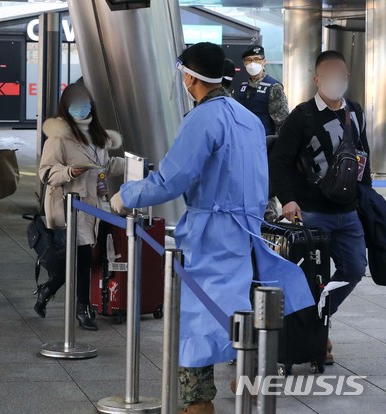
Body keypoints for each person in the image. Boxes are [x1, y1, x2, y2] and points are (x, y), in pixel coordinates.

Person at [110, 42, 312, 414]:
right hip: (248, 232)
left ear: (190, 77)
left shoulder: (202, 119)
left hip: (210, 235)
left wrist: (126, 196)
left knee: (197, 320)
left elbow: (172, 180)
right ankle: (250, 380)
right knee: (243, 311)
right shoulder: (248, 119)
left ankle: (198, 404)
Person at [270, 50, 370, 365]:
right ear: (317, 78)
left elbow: (362, 158)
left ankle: (317, 321)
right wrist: (287, 199)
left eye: (340, 74)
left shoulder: (355, 112)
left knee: (354, 269)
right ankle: (311, 337)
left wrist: (364, 198)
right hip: (311, 212)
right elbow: (280, 160)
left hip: (348, 212)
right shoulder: (302, 116)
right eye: (328, 74)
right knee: (310, 279)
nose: (335, 80)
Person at [35, 83, 124, 330]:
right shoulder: (58, 137)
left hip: (90, 206)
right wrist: (69, 171)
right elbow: (46, 173)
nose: (81, 105)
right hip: (67, 207)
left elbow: (105, 164)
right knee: (82, 258)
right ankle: (82, 309)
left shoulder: (97, 136)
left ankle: (48, 290)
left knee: (78, 258)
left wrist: (133, 166)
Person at [234, 45, 289, 136]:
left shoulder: (273, 87)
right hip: (243, 138)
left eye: (256, 59)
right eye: (249, 60)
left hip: (264, 140)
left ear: (263, 62)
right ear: (244, 63)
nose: (252, 63)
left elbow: (281, 122)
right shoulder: (243, 87)